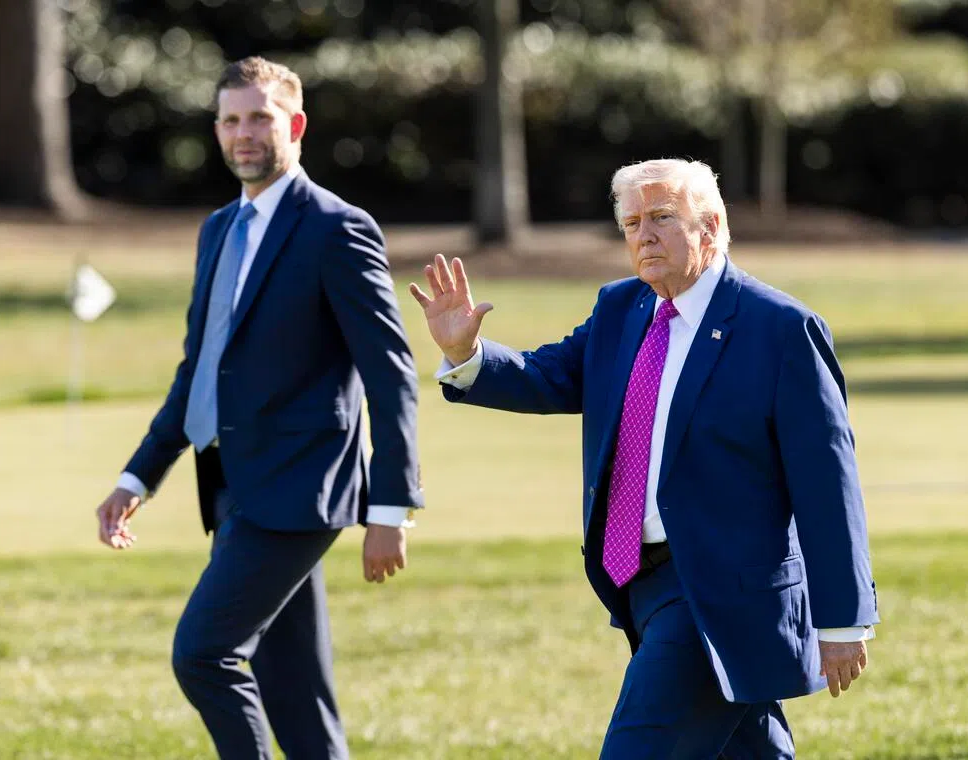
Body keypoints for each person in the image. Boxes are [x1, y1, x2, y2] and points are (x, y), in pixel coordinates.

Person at [409, 159, 878, 758]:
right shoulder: (621, 308)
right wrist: (467, 352)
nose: (644, 236)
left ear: (710, 226)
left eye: (662, 218)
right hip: (642, 584)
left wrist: (843, 618)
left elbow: (827, 483)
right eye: (631, 224)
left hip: (724, 595)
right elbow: (550, 376)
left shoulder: (780, 328)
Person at [93, 56, 424, 759]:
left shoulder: (338, 228)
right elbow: (200, 371)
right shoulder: (218, 229)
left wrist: (391, 508)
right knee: (296, 694)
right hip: (232, 486)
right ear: (217, 130)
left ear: (294, 125)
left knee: (204, 655)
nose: (244, 133)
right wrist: (137, 477)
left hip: (302, 489)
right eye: (230, 120)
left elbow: (391, 373)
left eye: (259, 118)